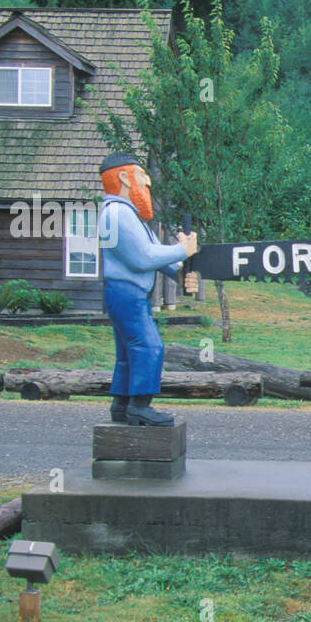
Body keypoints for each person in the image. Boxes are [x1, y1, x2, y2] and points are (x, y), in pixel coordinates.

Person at [98, 152, 199, 426]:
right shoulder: (117, 214)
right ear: (123, 177)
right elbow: (143, 257)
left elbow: (157, 254)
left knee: (128, 353)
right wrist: (183, 249)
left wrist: (181, 271)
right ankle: (140, 407)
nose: (148, 182)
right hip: (126, 292)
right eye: (142, 175)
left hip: (128, 293)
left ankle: (121, 406)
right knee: (149, 346)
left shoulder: (132, 217)